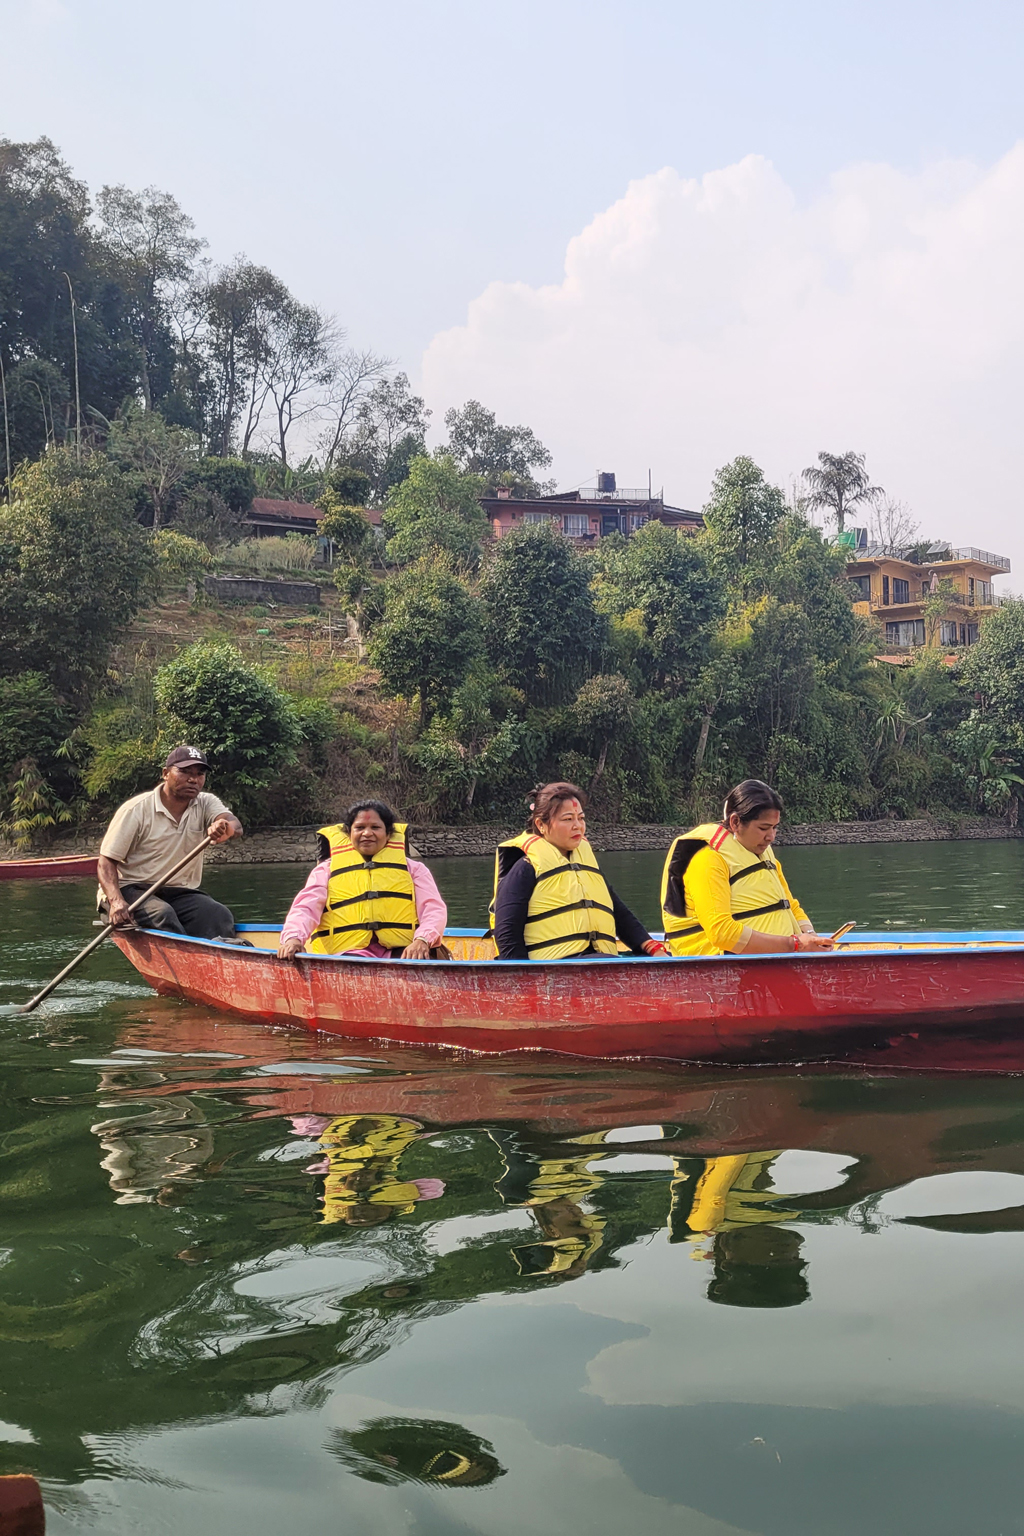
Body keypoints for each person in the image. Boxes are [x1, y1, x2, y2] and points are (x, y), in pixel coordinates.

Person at [491, 782, 667, 960]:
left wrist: (654, 949)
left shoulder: (587, 866)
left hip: (598, 960)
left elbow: (620, 915)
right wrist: (524, 980)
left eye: (581, 818)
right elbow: (507, 934)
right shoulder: (525, 868)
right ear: (541, 824)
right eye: (568, 819)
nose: (578, 826)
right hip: (554, 968)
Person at [659, 778, 833, 957]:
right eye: (764, 828)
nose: (771, 836)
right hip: (720, 966)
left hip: (778, 960)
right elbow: (721, 932)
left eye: (774, 828)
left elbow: (791, 905)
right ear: (735, 822)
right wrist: (794, 944)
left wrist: (811, 937)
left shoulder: (762, 853)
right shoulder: (708, 858)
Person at [97, 745, 242, 939]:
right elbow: (105, 862)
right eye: (184, 772)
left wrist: (224, 826)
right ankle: (185, 961)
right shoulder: (136, 809)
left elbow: (235, 826)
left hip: (178, 892)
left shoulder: (206, 802)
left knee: (218, 914)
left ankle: (216, 960)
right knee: (161, 914)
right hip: (130, 890)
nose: (193, 779)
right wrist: (116, 901)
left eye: (200, 774)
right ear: (166, 773)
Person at [277, 800, 447, 960]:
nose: (367, 833)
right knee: (353, 963)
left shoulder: (415, 870)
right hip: (348, 953)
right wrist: (293, 938)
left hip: (403, 950)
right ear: (349, 833)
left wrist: (423, 940)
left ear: (388, 834)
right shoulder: (325, 871)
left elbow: (434, 910)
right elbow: (305, 908)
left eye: (375, 827)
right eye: (359, 827)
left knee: (421, 958)